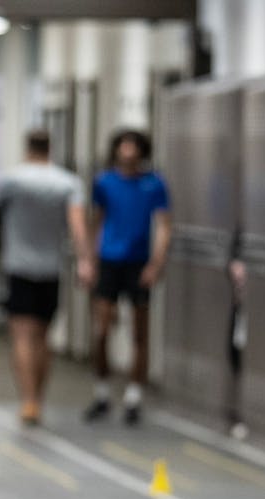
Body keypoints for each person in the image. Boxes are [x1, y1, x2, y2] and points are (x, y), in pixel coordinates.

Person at [0, 129, 93, 426]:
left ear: (28, 148)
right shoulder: (68, 182)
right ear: (50, 148)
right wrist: (86, 261)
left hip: (18, 268)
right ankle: (38, 396)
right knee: (42, 337)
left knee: (22, 337)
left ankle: (28, 401)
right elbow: (78, 226)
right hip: (51, 270)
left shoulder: (12, 180)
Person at [83, 129, 172, 425]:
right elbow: (97, 222)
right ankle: (102, 393)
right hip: (109, 261)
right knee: (103, 329)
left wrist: (156, 264)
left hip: (138, 263)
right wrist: (89, 261)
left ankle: (134, 396)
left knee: (139, 332)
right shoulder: (105, 182)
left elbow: (163, 226)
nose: (128, 150)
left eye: (134, 145)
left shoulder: (153, 184)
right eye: (124, 145)